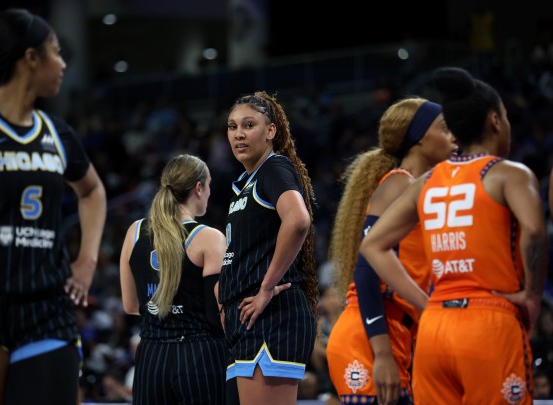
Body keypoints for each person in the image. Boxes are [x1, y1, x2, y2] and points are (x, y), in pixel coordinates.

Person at [0, 8, 107, 405]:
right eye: (56, 53)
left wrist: (88, 260)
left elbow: (93, 192)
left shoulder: (56, 133)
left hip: (46, 308)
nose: (63, 64)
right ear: (30, 58)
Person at [360, 66, 548, 404]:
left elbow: (372, 246)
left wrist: (424, 304)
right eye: (505, 116)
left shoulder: (428, 181)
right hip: (489, 321)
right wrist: (533, 296)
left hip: (435, 329)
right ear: (495, 120)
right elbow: (534, 232)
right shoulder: (509, 174)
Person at [326, 96, 457, 405]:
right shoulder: (400, 184)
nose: (454, 137)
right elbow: (366, 270)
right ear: (420, 137)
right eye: (445, 128)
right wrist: (382, 353)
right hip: (370, 337)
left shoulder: (423, 189)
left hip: (395, 333)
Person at [219, 91, 318, 405]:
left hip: (272, 313)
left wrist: (265, 287)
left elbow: (298, 220)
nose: (239, 134)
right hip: (248, 316)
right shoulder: (246, 184)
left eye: (249, 125)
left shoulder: (273, 168)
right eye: (232, 127)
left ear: (271, 131)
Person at [119, 154, 230, 405]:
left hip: (151, 356)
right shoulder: (209, 237)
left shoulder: (135, 232)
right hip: (199, 354)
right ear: (199, 188)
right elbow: (217, 315)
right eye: (209, 185)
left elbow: (130, 306)